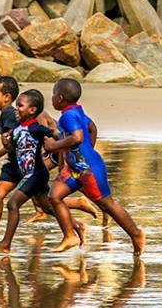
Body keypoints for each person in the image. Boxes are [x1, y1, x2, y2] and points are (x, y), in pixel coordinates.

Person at [0, 77, 98, 247]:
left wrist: (61, 155)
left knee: (14, 200)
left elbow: (27, 138)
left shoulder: (9, 113)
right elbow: (16, 141)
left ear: (7, 97)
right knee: (42, 205)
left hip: (24, 168)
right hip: (18, 166)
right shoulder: (13, 114)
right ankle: (76, 225)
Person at [44, 78, 146, 256]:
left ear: (60, 98)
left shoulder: (68, 116)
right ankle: (70, 235)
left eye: (53, 94)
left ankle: (136, 234)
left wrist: (54, 146)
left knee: (107, 205)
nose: (51, 98)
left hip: (89, 169)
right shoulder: (75, 111)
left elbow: (77, 137)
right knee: (54, 196)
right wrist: (75, 155)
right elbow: (92, 128)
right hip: (76, 168)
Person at [0, 89, 86, 254]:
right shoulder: (16, 130)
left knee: (12, 204)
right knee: (48, 207)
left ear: (32, 110)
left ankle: (6, 244)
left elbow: (59, 138)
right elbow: (11, 149)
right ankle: (76, 226)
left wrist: (64, 163)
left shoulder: (37, 129)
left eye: (20, 106)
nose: (16, 110)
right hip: (29, 174)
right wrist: (6, 141)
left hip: (36, 174)